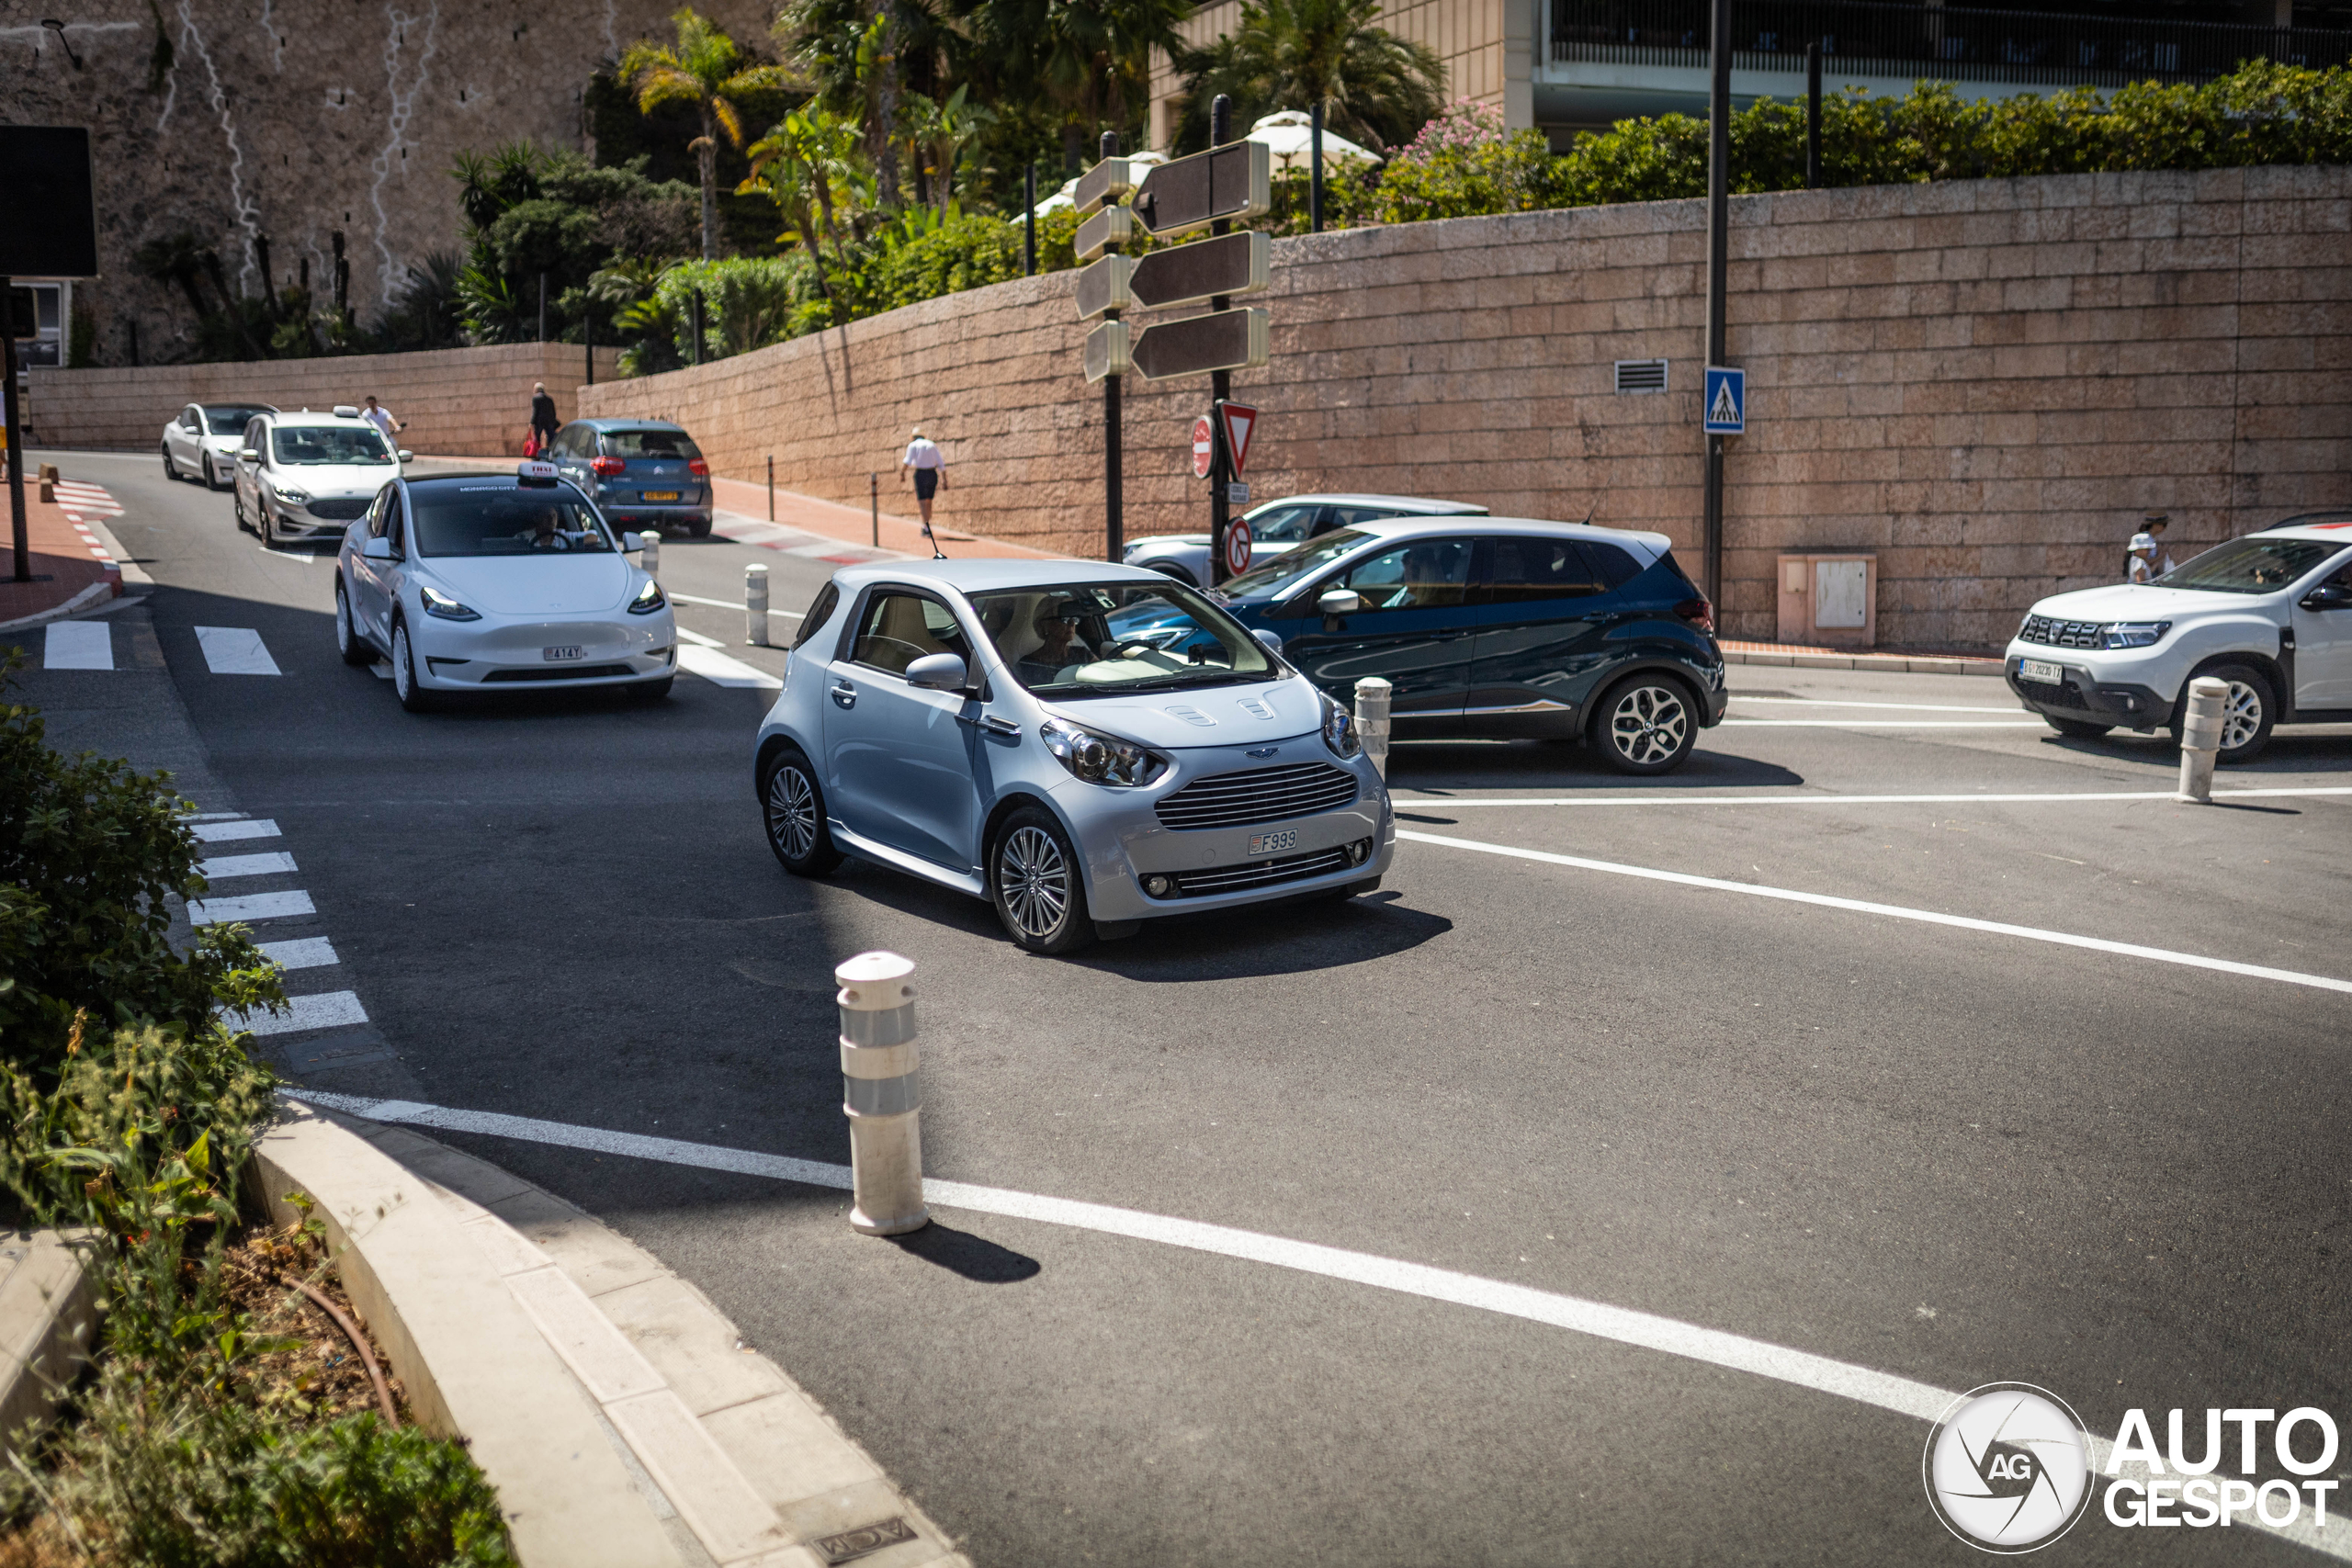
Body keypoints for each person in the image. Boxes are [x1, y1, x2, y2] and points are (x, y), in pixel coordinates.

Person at [900, 426, 946, 534]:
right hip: (932, 474)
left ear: (914, 437)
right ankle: (927, 524)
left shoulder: (913, 445)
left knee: (922, 501)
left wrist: (902, 473)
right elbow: (941, 463)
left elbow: (907, 461)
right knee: (928, 500)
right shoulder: (931, 444)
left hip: (921, 474)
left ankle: (925, 525)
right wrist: (944, 480)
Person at [527, 383, 559, 457]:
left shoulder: (536, 398)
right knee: (551, 438)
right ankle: (552, 453)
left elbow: (535, 411)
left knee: (537, 438)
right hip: (549, 421)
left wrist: (532, 422)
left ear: (537, 390)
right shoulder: (549, 398)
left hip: (539, 421)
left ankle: (536, 454)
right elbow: (553, 412)